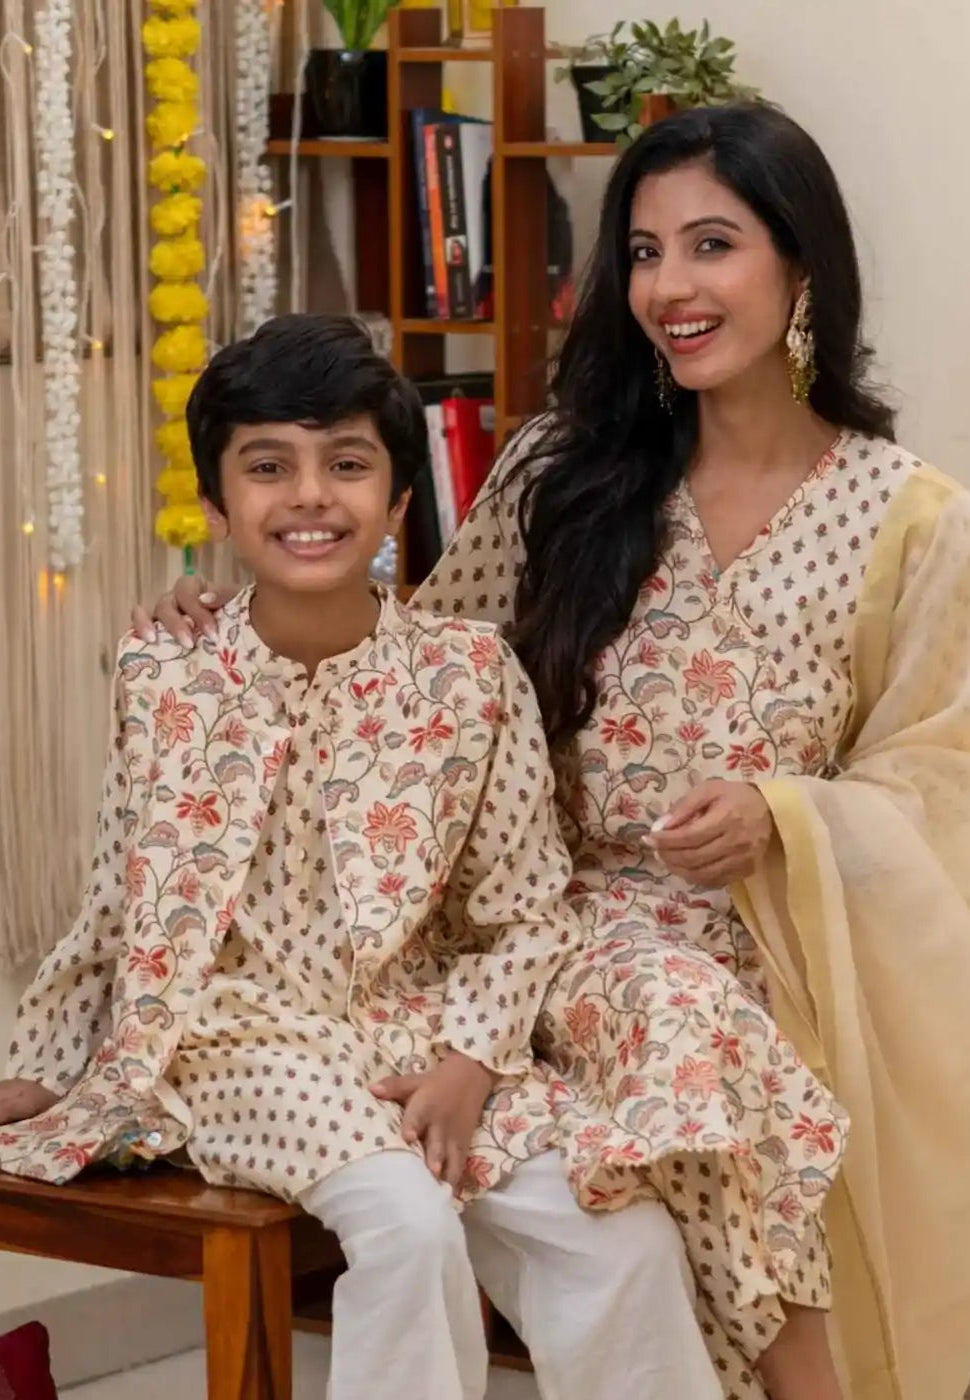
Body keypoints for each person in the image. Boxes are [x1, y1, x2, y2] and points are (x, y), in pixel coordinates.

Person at [135, 102, 970, 1400]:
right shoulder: (559, 474)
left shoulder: (906, 521)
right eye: (643, 254)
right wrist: (236, 618)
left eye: (712, 245)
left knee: (702, 1034)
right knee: (684, 1025)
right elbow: (415, 675)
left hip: (776, 940)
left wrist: (790, 815)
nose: (671, 289)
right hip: (551, 923)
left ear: (802, 265)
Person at [0, 315, 727, 1400]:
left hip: (420, 1033)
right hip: (234, 1035)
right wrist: (44, 1059)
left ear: (395, 502)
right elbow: (122, 894)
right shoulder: (168, 667)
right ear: (217, 505)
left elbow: (528, 906)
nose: (308, 496)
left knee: (619, 1239)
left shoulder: (469, 674)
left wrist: (472, 1063)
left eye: (346, 464)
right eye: (267, 467)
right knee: (406, 1226)